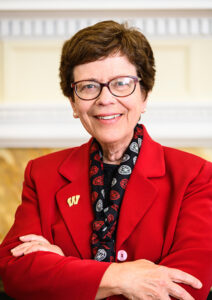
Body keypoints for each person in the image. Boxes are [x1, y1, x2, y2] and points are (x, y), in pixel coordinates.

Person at [0, 20, 211, 300]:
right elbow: (15, 272)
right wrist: (122, 277)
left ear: (144, 94)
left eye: (121, 84)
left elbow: (185, 289)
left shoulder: (195, 175)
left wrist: (63, 268)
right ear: (74, 103)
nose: (105, 99)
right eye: (88, 86)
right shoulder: (43, 173)